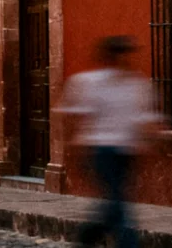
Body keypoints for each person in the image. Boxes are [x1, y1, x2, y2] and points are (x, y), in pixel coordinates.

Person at [56, 36, 163, 248]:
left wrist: (154, 139)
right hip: (101, 150)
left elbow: (145, 117)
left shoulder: (137, 84)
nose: (126, 60)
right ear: (111, 56)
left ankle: (87, 235)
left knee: (115, 201)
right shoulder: (89, 82)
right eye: (122, 55)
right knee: (118, 201)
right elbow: (75, 117)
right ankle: (128, 244)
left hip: (127, 152)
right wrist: (78, 149)